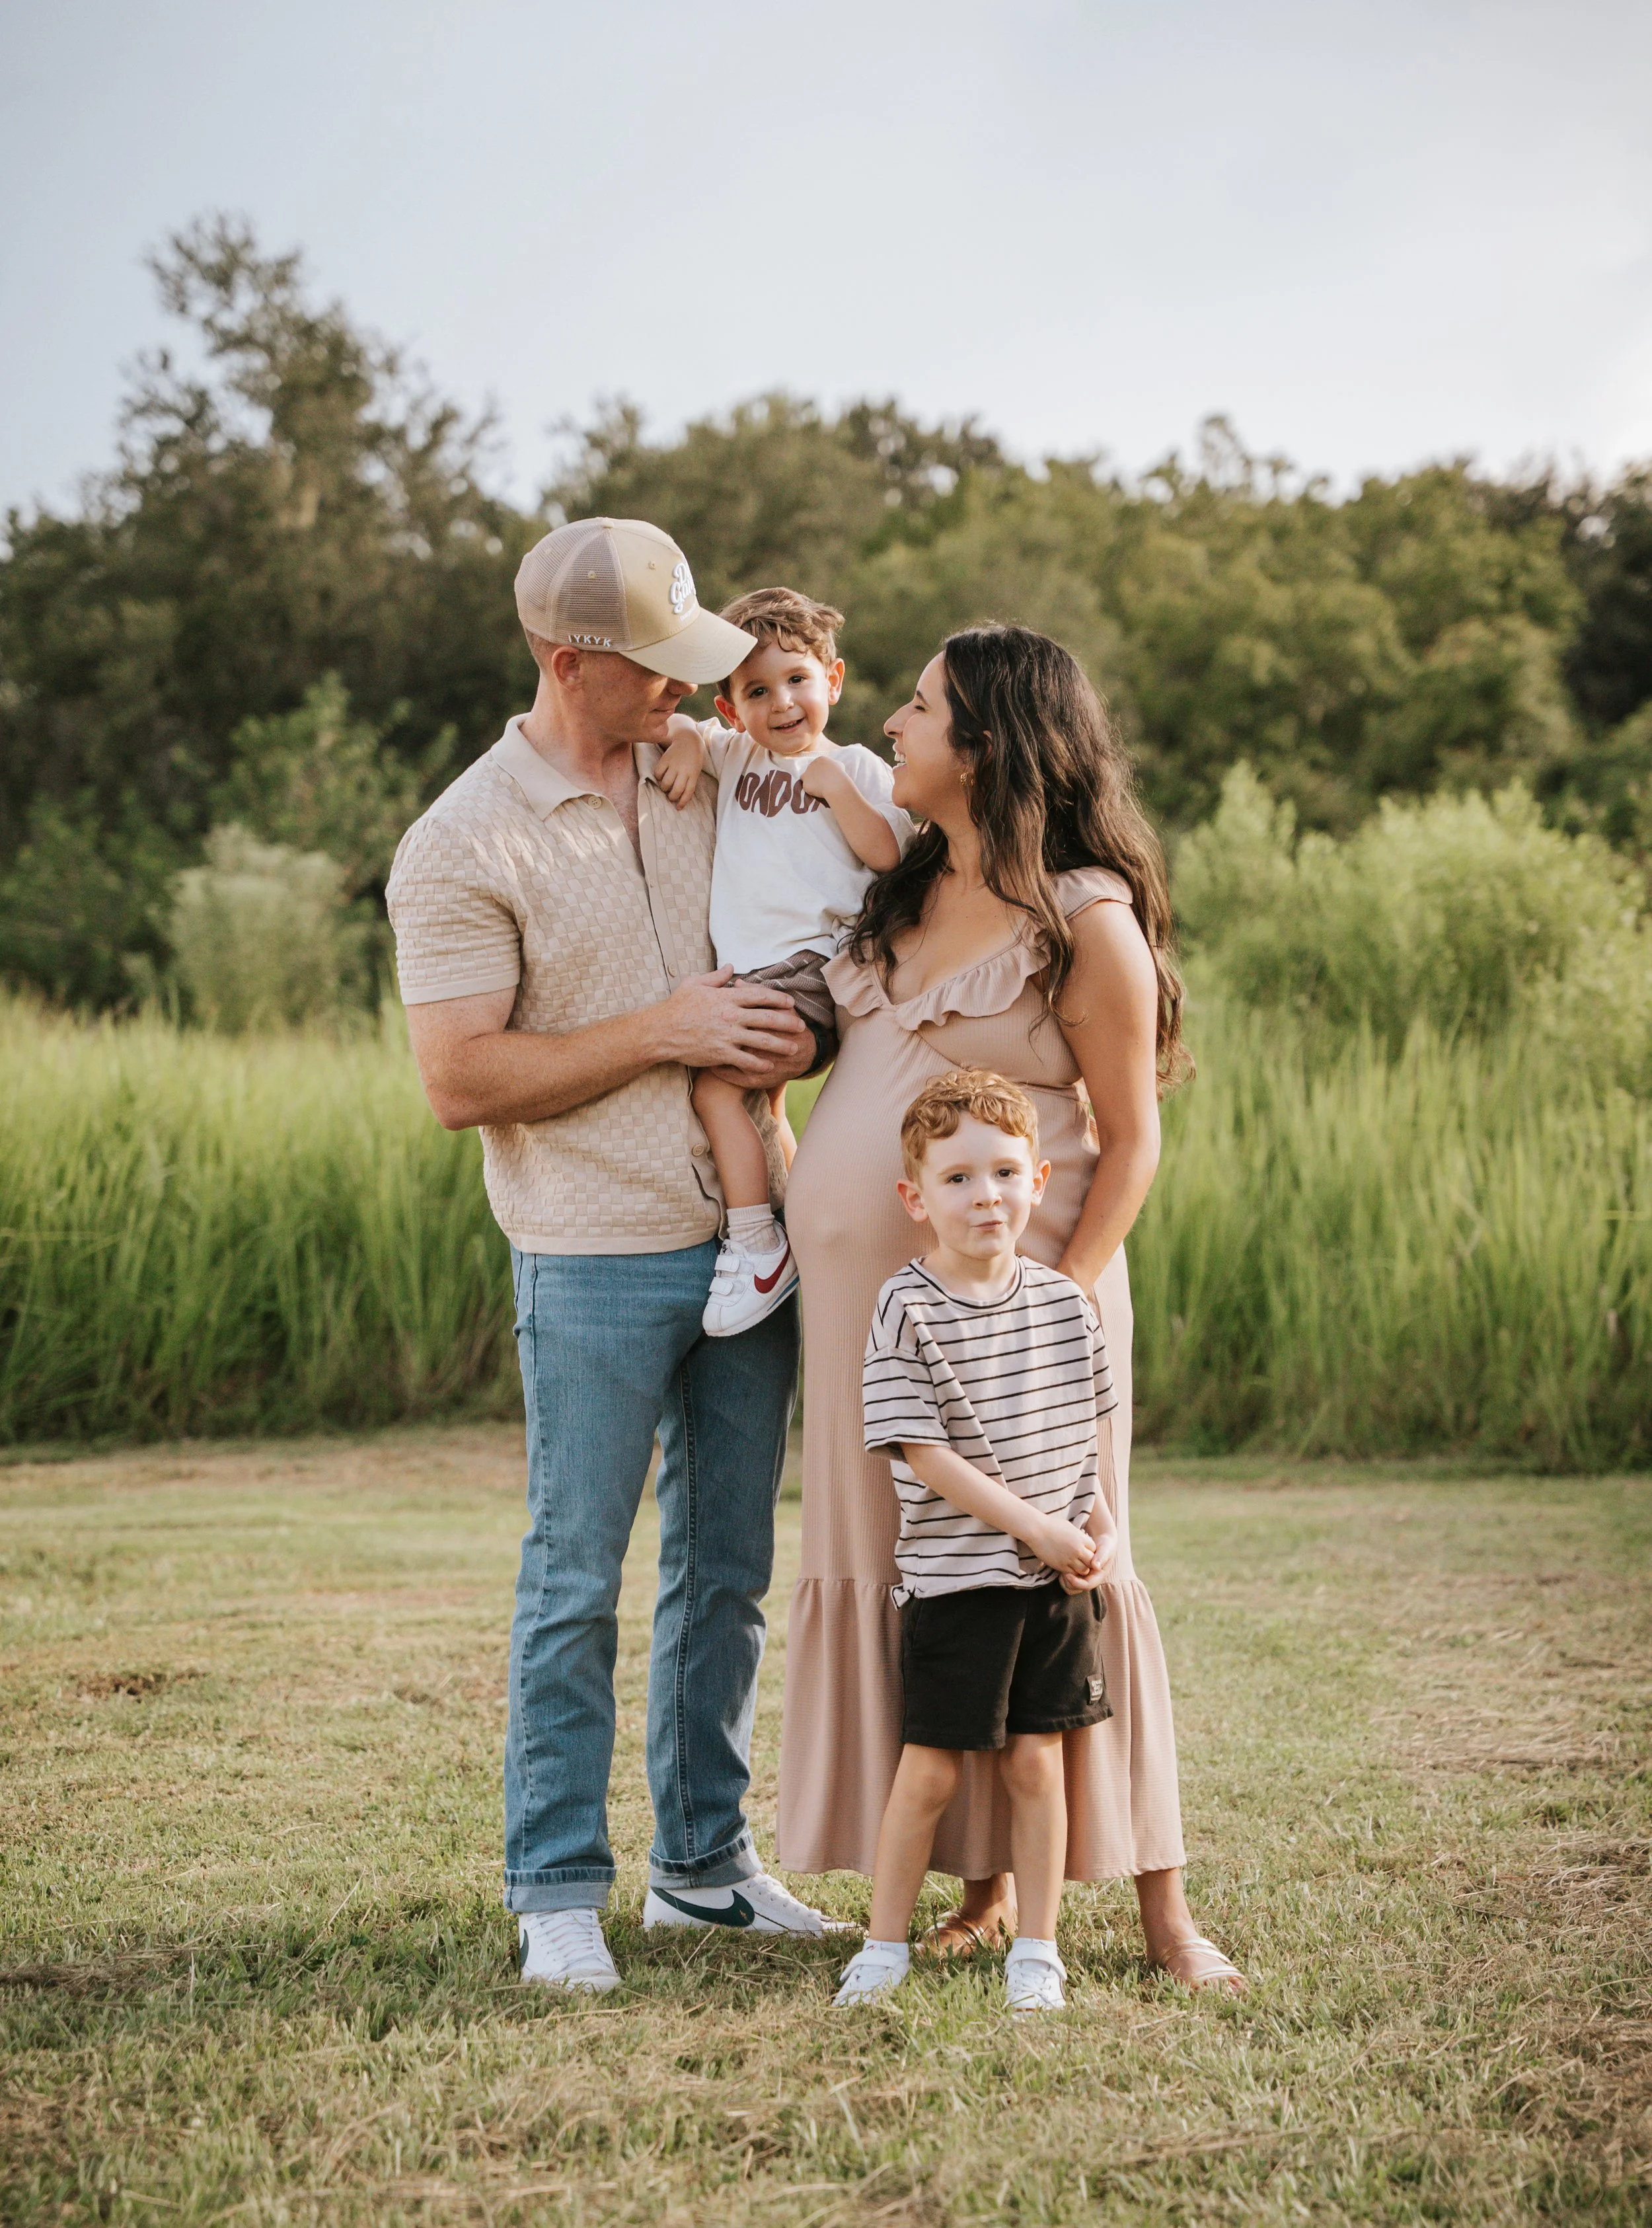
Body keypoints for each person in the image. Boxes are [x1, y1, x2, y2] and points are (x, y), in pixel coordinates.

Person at [387, 516, 843, 1997]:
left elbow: (821, 897)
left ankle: (702, 1870)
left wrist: (804, 1034)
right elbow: (460, 1078)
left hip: (748, 1240)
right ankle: (556, 1885)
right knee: (575, 1574)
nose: (687, 693)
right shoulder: (462, 841)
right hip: (586, 1254)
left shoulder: (699, 766)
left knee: (726, 1572)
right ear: (569, 660)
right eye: (658, 672)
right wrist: (666, 1030)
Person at [778, 623, 1246, 1993]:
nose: (895, 727)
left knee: (1069, 1575)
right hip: (884, 1327)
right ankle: (981, 1891)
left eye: (918, 707)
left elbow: (1130, 1135)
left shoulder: (1079, 917)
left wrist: (1060, 1297)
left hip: (1028, 1324)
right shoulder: (904, 892)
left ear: (983, 742)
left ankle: (1161, 1906)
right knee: (940, 1586)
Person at [833, 1069, 1119, 2015]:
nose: (984, 1194)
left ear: (1039, 1178)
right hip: (961, 1581)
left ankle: (1036, 1945)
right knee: (932, 1766)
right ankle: (882, 1943)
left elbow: (1090, 1437)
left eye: (1003, 1171)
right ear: (916, 1198)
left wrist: (1098, 1522)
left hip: (1056, 1580)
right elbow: (922, 1450)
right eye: (957, 1178)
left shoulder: (1066, 1304)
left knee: (1040, 1762)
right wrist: (1034, 1524)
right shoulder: (906, 1307)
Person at [654, 588, 914, 1336]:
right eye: (758, 691)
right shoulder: (734, 751)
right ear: (733, 709)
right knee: (757, 1105)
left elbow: (890, 854)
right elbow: (678, 719)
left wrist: (837, 793)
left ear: (832, 681)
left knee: (715, 1088)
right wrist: (687, 740)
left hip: (809, 971)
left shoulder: (855, 766)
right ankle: (802, 1228)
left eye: (798, 679)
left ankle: (756, 1243)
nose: (783, 702)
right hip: (750, 972)